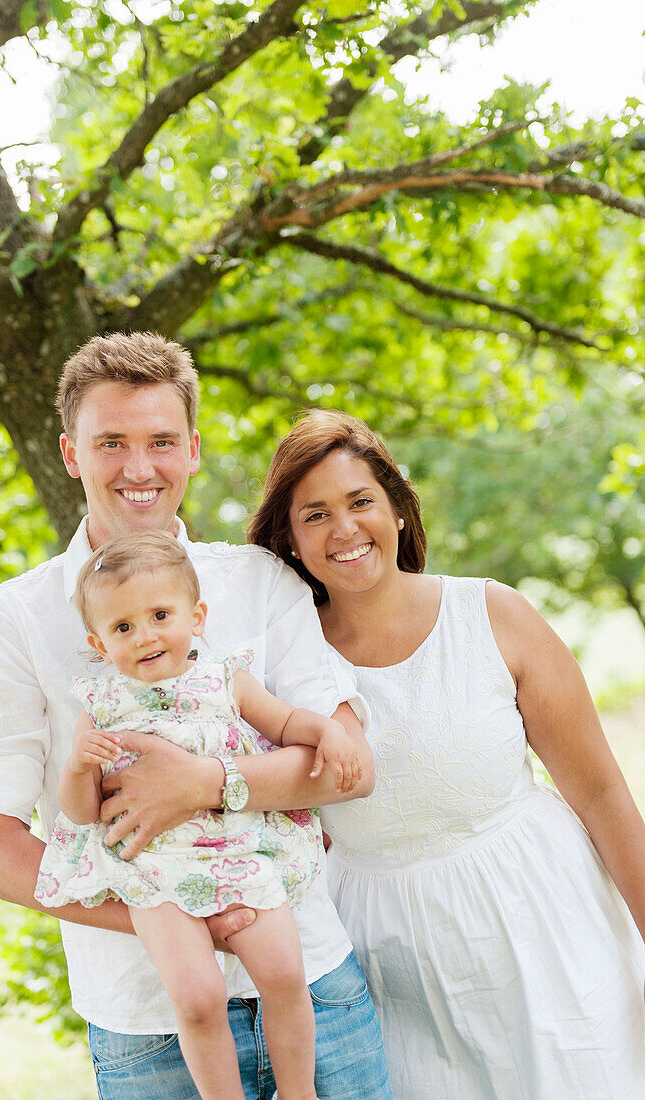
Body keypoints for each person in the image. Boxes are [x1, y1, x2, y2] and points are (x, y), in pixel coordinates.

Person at [0, 332, 391, 1100]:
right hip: (148, 1024)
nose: (139, 467)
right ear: (70, 453)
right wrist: (177, 913)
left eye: (160, 442)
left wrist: (208, 783)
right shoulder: (18, 619)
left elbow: (345, 768)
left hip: (313, 986)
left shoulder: (258, 582)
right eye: (111, 442)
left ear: (191, 449)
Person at [248, 409, 645, 1100]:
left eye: (361, 501)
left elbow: (603, 794)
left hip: (542, 925)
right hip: (387, 955)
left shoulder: (494, 616)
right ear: (288, 539)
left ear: (398, 510)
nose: (344, 529)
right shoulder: (281, 667)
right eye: (315, 514)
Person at [36, 529, 362, 1100]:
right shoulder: (102, 708)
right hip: (154, 869)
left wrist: (328, 731)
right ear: (98, 643)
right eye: (123, 627)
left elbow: (287, 724)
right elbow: (83, 813)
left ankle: (298, 1091)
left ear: (198, 615)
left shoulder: (225, 679)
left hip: (240, 851)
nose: (146, 636)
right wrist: (75, 770)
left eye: (161, 614)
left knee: (285, 977)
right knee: (197, 997)